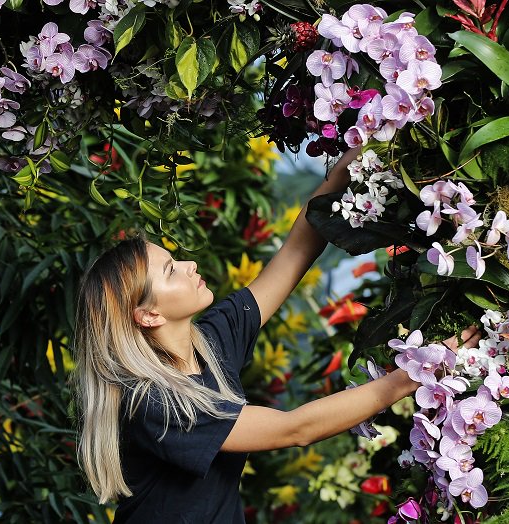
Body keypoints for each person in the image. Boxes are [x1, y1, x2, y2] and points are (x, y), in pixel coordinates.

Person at [70, 147, 481, 523]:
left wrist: (345, 169)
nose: (190, 264)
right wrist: (419, 371)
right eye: (170, 270)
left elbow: (295, 254)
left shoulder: (209, 343)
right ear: (148, 315)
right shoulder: (153, 401)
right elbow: (295, 429)